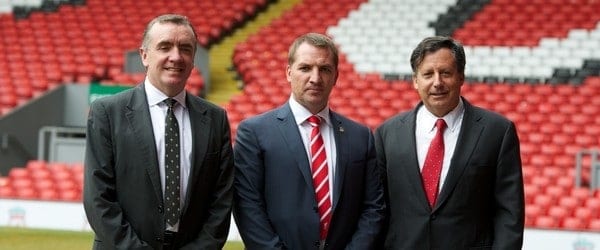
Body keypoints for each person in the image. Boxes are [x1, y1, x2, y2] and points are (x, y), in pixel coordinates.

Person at [83, 14, 234, 250]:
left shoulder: (215, 118)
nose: (176, 56)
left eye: (185, 48)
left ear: (193, 58)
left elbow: (221, 200)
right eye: (165, 47)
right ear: (144, 55)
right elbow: (98, 199)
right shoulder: (107, 112)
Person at [232, 32, 385, 250]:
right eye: (305, 68)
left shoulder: (361, 137)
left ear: (336, 76)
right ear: (288, 72)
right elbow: (247, 206)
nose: (315, 78)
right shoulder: (254, 132)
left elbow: (373, 208)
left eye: (324, 69)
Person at [374, 36, 525, 249]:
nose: (437, 82)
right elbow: (376, 209)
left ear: (461, 76)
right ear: (415, 80)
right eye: (428, 74)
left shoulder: (498, 132)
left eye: (445, 73)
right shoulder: (386, 133)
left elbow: (509, 214)